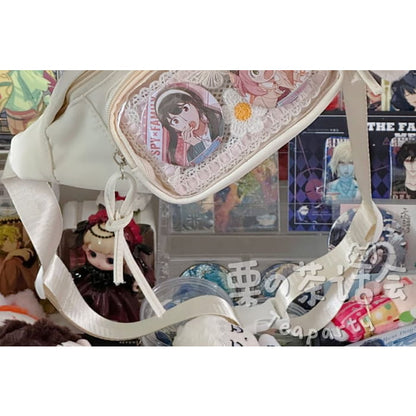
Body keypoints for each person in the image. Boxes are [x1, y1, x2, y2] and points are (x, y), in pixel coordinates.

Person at [71, 208, 155, 323]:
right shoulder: (89, 271)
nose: (99, 262)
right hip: (90, 291)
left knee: (119, 312)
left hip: (115, 294)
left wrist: (135, 283)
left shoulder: (121, 274)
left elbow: (134, 279)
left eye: (110, 260)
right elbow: (80, 273)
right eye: (92, 254)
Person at [154, 86, 224, 167]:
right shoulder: (191, 154)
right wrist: (197, 144)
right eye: (175, 121)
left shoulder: (219, 123)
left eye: (185, 109)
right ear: (173, 128)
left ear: (195, 104)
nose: (185, 120)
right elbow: (207, 164)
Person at [0, 222, 38, 296]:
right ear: (3, 243)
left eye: (18, 240)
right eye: (14, 240)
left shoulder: (15, 259)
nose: (19, 243)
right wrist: (10, 256)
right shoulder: (11, 262)